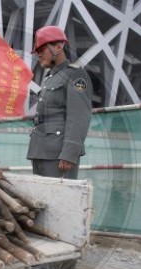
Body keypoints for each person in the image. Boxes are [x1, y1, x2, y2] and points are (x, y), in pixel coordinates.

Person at [27, 26, 92, 179]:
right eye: (37, 51)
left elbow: (79, 116)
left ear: (58, 47)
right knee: (41, 200)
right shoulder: (50, 79)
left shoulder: (75, 75)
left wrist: (69, 153)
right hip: (41, 151)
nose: (39, 54)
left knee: (61, 200)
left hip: (59, 155)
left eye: (42, 49)